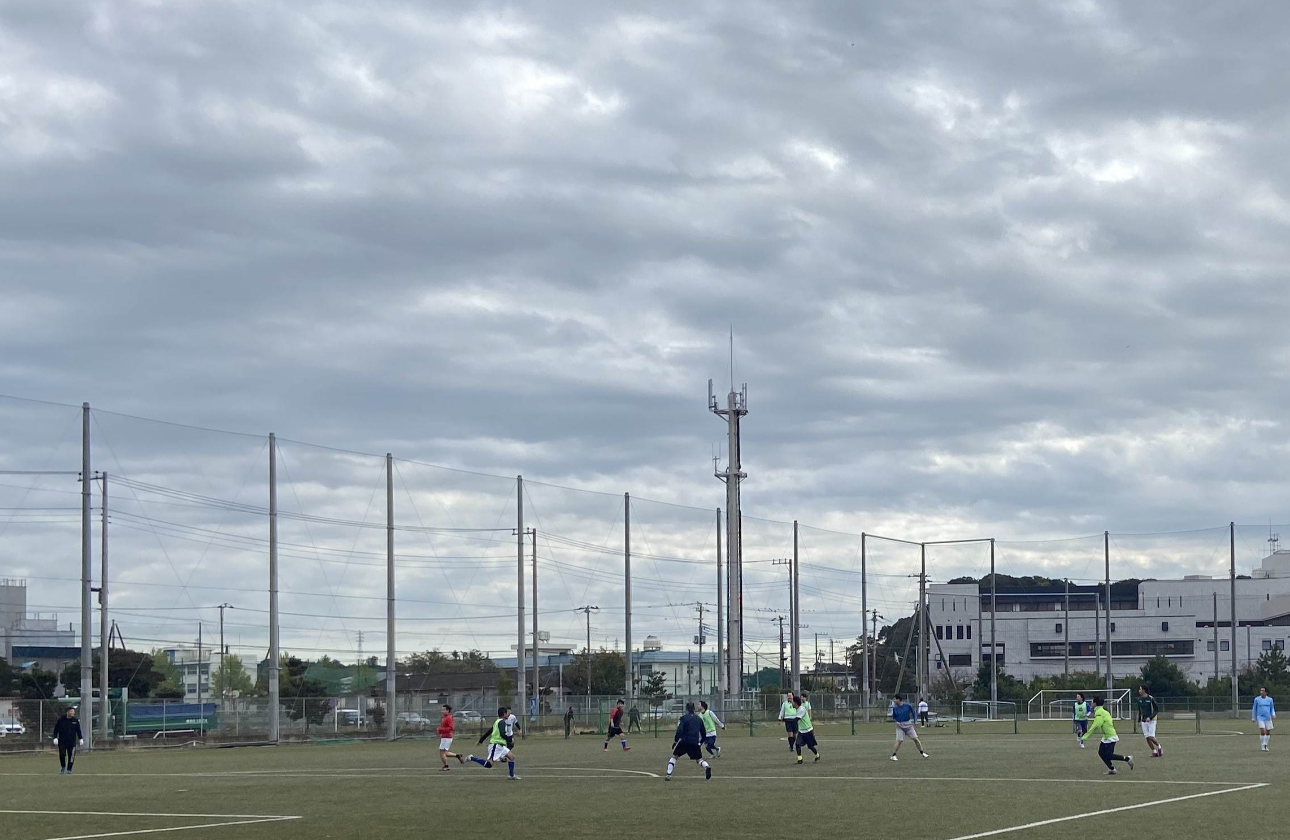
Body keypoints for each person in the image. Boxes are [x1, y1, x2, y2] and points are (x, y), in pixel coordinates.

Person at [1082, 695, 1132, 775]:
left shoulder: (1099, 712)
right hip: (1106, 736)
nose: (1091, 702)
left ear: (1095, 703)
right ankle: (1111, 769)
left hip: (1110, 736)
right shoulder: (1103, 711)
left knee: (1109, 755)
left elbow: (1096, 725)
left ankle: (1127, 759)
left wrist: (1085, 736)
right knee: (1101, 753)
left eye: (1092, 701)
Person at [469, 708, 520, 780]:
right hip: (495, 746)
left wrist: (481, 740)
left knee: (512, 757)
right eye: (507, 713)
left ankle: (511, 775)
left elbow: (489, 731)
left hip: (500, 746)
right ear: (504, 714)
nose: (508, 714)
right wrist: (509, 740)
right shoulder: (501, 722)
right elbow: (502, 734)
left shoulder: (497, 722)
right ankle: (471, 758)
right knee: (488, 764)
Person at [665, 702, 711, 781]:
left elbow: (680, 730)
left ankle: (668, 774)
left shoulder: (683, 718)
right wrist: (701, 742)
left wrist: (676, 741)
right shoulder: (699, 719)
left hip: (684, 741)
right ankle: (706, 766)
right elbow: (703, 733)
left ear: (686, 709)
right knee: (699, 759)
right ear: (694, 708)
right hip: (694, 742)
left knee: (675, 757)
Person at [889, 694, 928, 761]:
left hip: (908, 724)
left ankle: (922, 753)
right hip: (900, 725)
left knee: (915, 739)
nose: (894, 701)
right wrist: (896, 722)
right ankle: (893, 755)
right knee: (899, 740)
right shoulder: (895, 708)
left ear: (898, 699)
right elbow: (894, 717)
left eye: (894, 699)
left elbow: (914, 713)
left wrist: (915, 721)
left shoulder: (908, 706)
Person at [51, 707, 83, 775]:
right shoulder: (61, 720)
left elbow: (78, 730)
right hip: (62, 741)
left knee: (71, 756)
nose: (73, 713)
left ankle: (69, 769)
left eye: (73, 711)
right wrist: (55, 737)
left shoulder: (75, 721)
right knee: (62, 754)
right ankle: (63, 766)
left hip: (72, 742)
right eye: (71, 711)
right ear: (67, 712)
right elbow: (56, 729)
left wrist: (81, 738)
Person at [791, 695, 820, 764]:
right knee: (797, 744)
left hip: (808, 730)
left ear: (795, 703)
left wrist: (785, 720)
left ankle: (817, 755)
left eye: (792, 702)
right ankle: (800, 760)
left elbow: (796, 719)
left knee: (810, 746)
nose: (792, 703)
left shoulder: (801, 709)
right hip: (801, 731)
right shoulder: (798, 709)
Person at [1137, 686, 1162, 758]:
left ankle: (1159, 747)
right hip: (1144, 721)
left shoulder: (1151, 698)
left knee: (1151, 736)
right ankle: (1154, 751)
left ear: (1144, 690)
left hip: (1152, 720)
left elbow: (1156, 709)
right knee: (1147, 737)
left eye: (1140, 689)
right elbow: (1140, 711)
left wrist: (1150, 717)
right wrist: (1139, 720)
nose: (1139, 690)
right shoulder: (1139, 699)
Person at [437, 704, 464, 771]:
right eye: (442, 709)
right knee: (444, 752)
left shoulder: (448, 718)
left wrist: (440, 730)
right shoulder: (444, 718)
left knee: (442, 753)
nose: (442, 711)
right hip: (444, 737)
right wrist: (440, 732)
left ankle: (446, 766)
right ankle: (457, 755)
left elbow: (451, 728)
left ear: (448, 710)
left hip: (447, 737)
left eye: (444, 710)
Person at [1253, 687, 1276, 752]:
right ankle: (1262, 745)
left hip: (1268, 717)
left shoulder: (1270, 699)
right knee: (1263, 731)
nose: (1261, 692)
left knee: (1268, 732)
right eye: (1261, 690)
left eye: (1263, 691)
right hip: (1260, 717)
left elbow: (1272, 708)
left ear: (1266, 692)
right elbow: (1254, 708)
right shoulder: (1257, 699)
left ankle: (1265, 744)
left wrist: (1273, 714)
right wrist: (1253, 717)